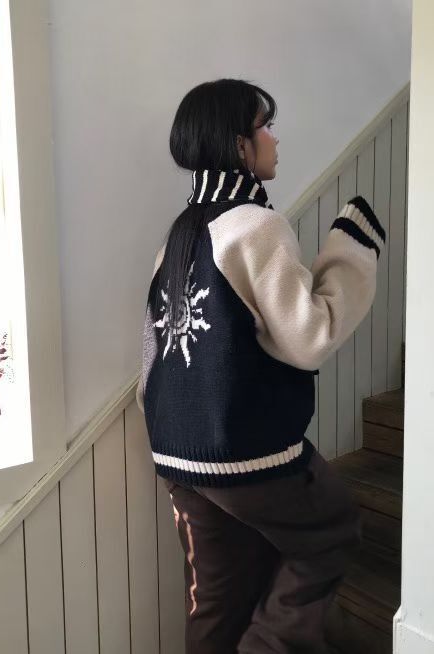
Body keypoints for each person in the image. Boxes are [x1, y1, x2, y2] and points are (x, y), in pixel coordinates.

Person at [136, 78, 386, 654]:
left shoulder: (179, 233)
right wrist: (351, 249)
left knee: (215, 597)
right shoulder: (256, 224)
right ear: (239, 145)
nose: (275, 137)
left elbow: (152, 353)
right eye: (265, 125)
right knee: (329, 533)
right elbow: (310, 337)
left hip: (176, 450)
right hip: (244, 452)